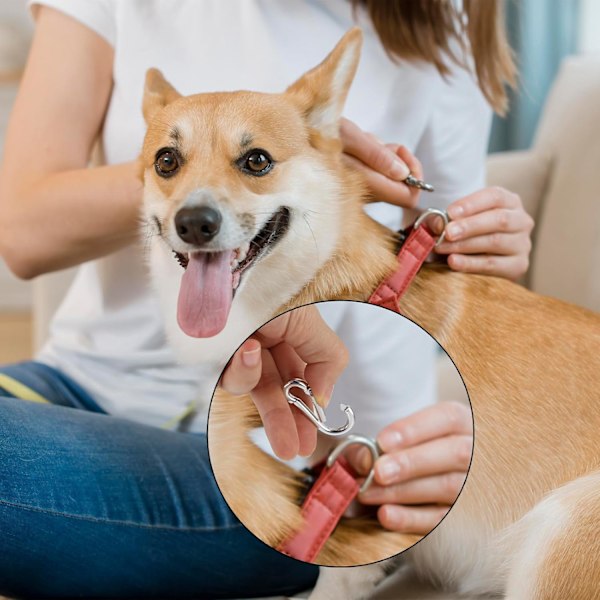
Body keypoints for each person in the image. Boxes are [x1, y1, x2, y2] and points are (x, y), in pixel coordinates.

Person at [0, 0, 533, 597]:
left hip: (271, 458)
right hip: (74, 386)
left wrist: (486, 250)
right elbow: (20, 230)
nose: (197, 210)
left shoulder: (435, 22)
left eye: (254, 161)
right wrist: (196, 168)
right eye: (169, 161)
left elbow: (441, 262)